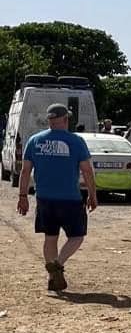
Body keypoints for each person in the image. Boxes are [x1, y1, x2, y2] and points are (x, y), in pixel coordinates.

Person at [15, 104, 98, 293]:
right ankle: (57, 265)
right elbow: (87, 171)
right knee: (77, 237)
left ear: (49, 120)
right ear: (66, 119)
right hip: (70, 198)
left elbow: (25, 171)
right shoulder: (76, 141)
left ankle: (53, 277)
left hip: (44, 199)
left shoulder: (35, 141)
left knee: (50, 237)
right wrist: (93, 195)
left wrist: (22, 196)